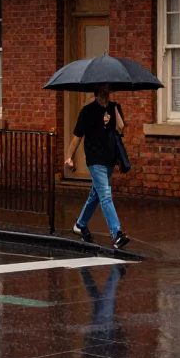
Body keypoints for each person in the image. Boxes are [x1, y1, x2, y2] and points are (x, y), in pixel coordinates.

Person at [65, 84, 129, 250]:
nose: (107, 93)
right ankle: (117, 234)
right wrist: (69, 157)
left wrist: (114, 108)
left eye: (108, 90)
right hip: (95, 160)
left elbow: (121, 129)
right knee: (106, 195)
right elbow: (77, 136)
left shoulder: (114, 108)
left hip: (109, 159)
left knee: (96, 194)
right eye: (104, 91)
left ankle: (80, 224)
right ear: (97, 93)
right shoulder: (87, 111)